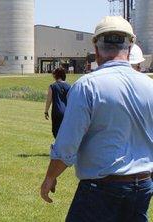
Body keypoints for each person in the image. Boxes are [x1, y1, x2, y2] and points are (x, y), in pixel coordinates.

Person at [40, 16, 153, 221]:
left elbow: (67, 145)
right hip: (142, 186)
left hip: (102, 187)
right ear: (130, 47)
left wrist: (50, 177)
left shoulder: (87, 86)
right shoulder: (149, 86)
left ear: (96, 48)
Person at [44, 68, 71, 138]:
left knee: (56, 132)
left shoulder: (52, 86)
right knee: (66, 132)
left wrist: (46, 111)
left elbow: (49, 100)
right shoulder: (69, 86)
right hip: (67, 112)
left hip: (56, 112)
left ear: (56, 75)